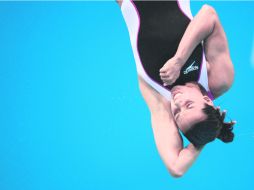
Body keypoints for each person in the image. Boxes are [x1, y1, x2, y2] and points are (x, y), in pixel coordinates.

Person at [116, 0, 235, 177]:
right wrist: (179, 60)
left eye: (177, 113)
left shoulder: (161, 102)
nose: (178, 101)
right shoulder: (218, 79)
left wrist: (204, 138)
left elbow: (176, 168)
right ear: (207, 100)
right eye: (188, 105)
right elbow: (208, 14)